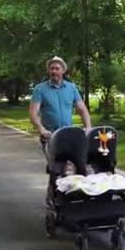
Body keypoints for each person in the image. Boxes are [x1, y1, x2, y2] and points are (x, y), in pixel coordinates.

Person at [29, 56, 92, 206]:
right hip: (51, 136)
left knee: (81, 165)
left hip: (69, 135)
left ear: (63, 71)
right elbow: (33, 113)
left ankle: (81, 198)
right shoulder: (40, 89)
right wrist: (41, 129)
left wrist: (88, 127)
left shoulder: (71, 88)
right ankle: (54, 196)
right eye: (51, 68)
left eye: (57, 68)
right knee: (57, 168)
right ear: (48, 71)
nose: (54, 71)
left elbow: (82, 110)